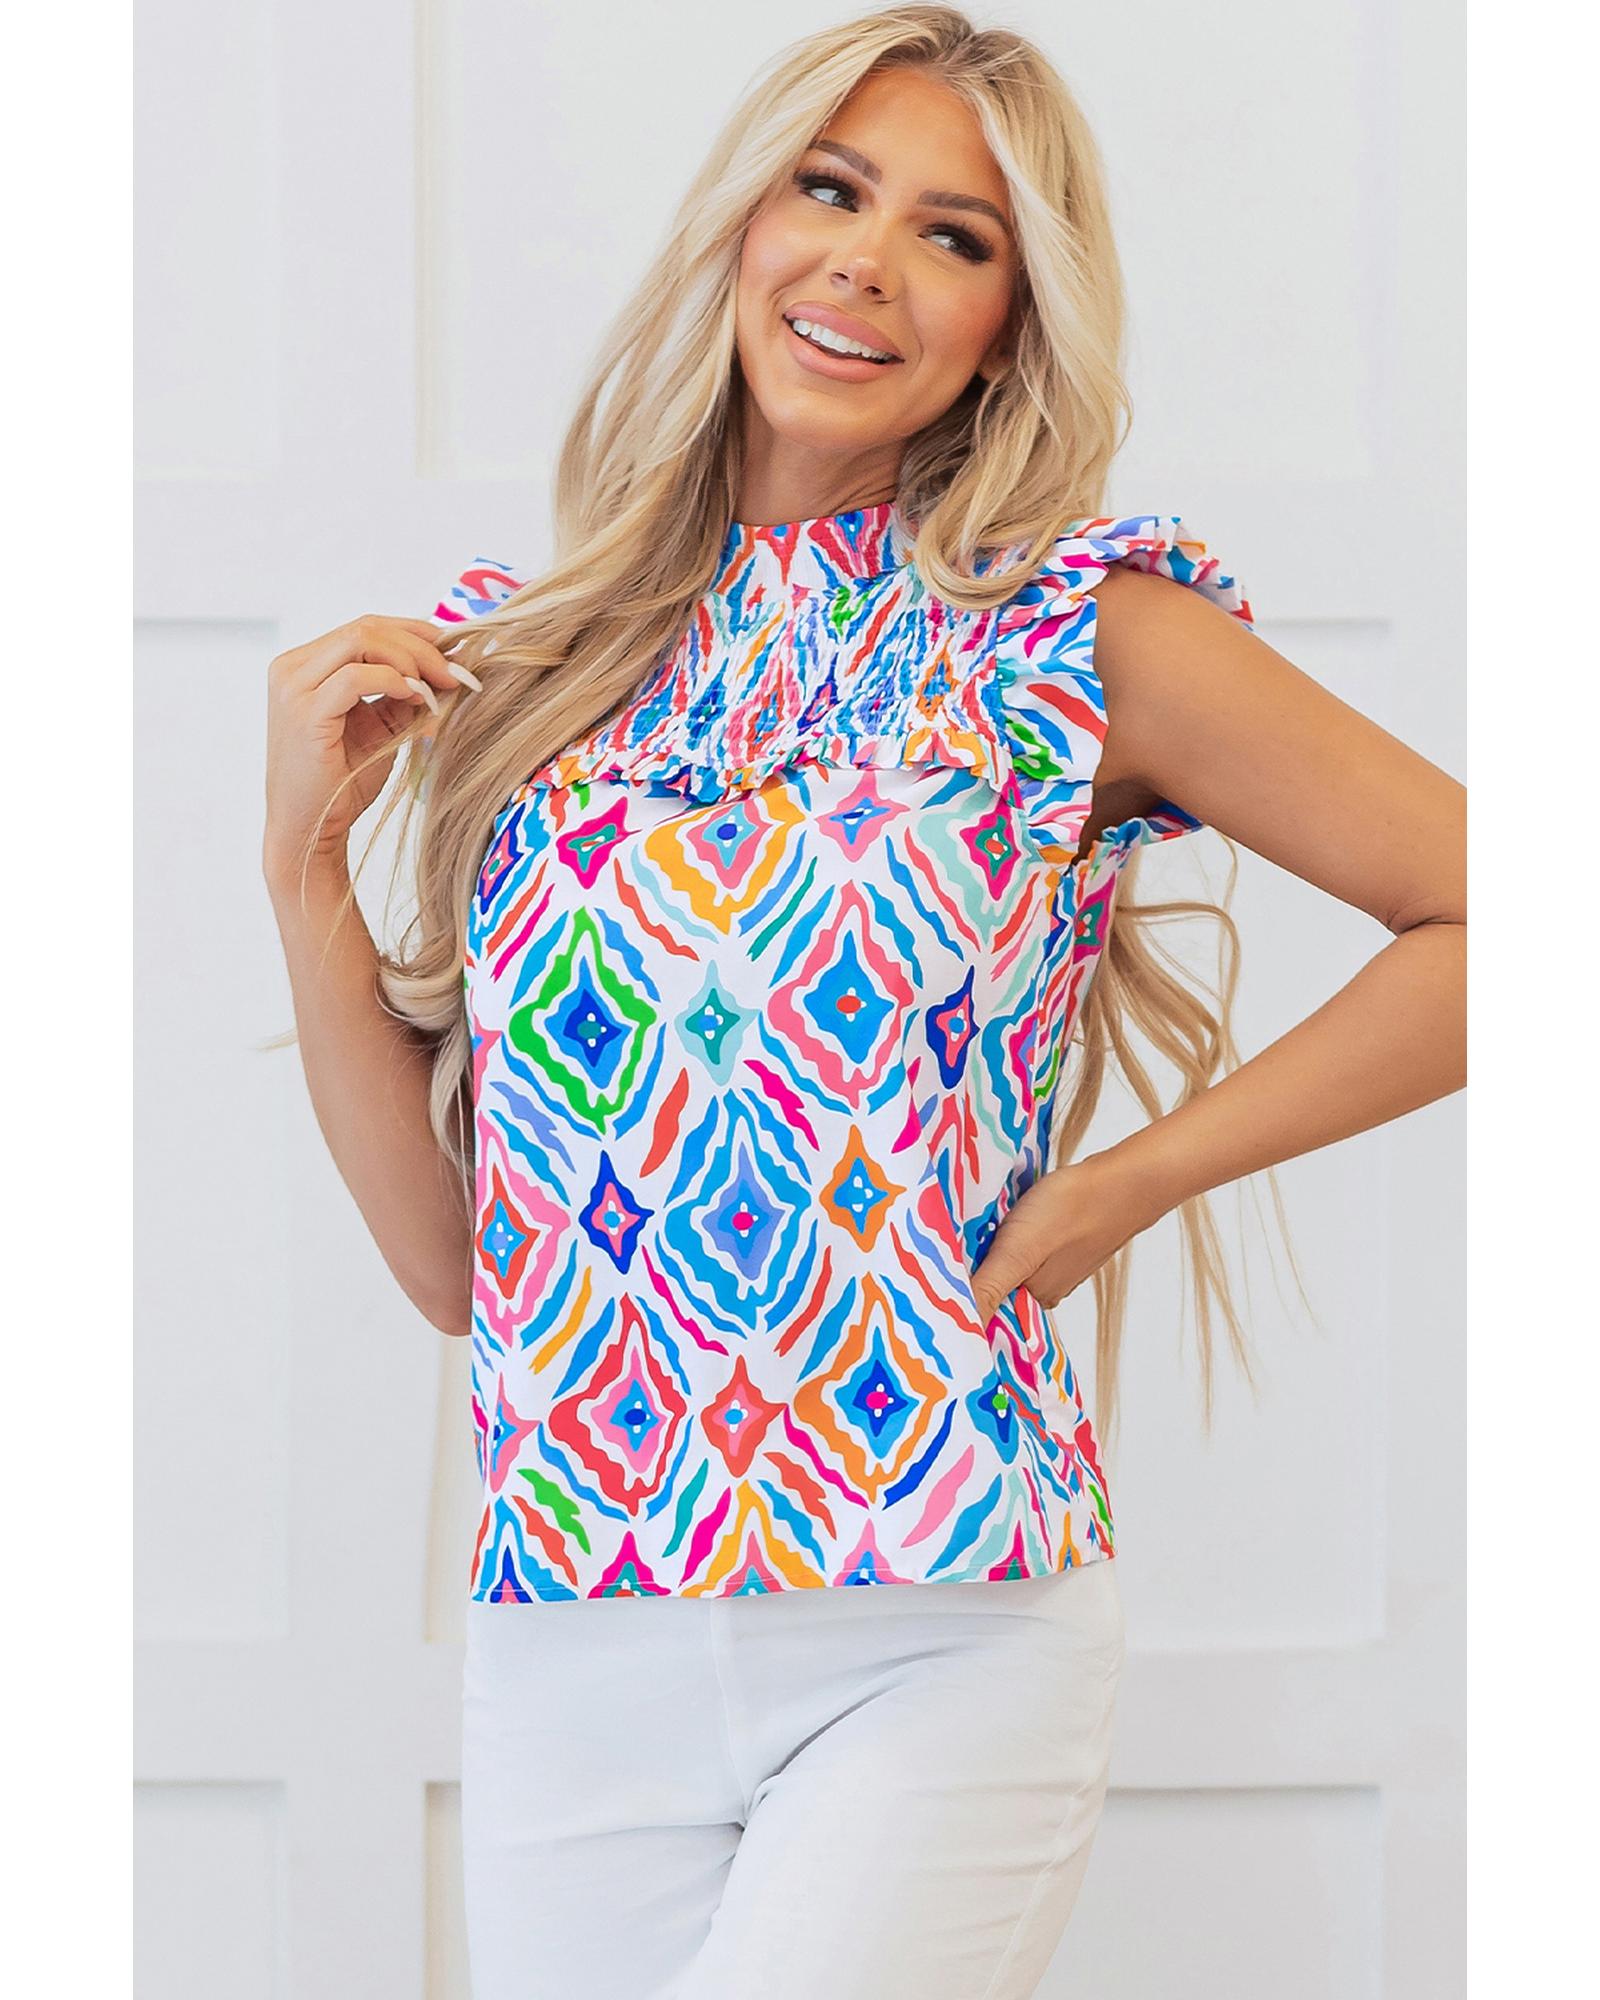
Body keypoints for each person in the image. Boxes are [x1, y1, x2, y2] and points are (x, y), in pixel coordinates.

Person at [261, 8, 1466, 1997]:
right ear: (744, 221)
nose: (867, 263)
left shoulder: (1070, 635)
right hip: (570, 1629)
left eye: (952, 236)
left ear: (1008, 325)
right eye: (830, 190)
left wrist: (1126, 1183)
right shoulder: (534, 664)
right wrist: (302, 872)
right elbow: (459, 1274)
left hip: (938, 1619)